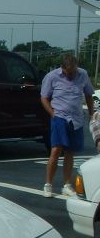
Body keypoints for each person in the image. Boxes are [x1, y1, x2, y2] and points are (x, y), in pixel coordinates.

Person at [40, 54, 94, 198]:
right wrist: (52, 114)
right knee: (56, 149)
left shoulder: (83, 74)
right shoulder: (52, 76)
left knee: (70, 151)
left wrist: (91, 114)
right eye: (68, 73)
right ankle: (48, 184)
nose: (71, 75)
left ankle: (67, 185)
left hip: (76, 118)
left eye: (73, 72)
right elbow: (44, 97)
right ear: (62, 68)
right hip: (59, 117)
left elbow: (89, 94)